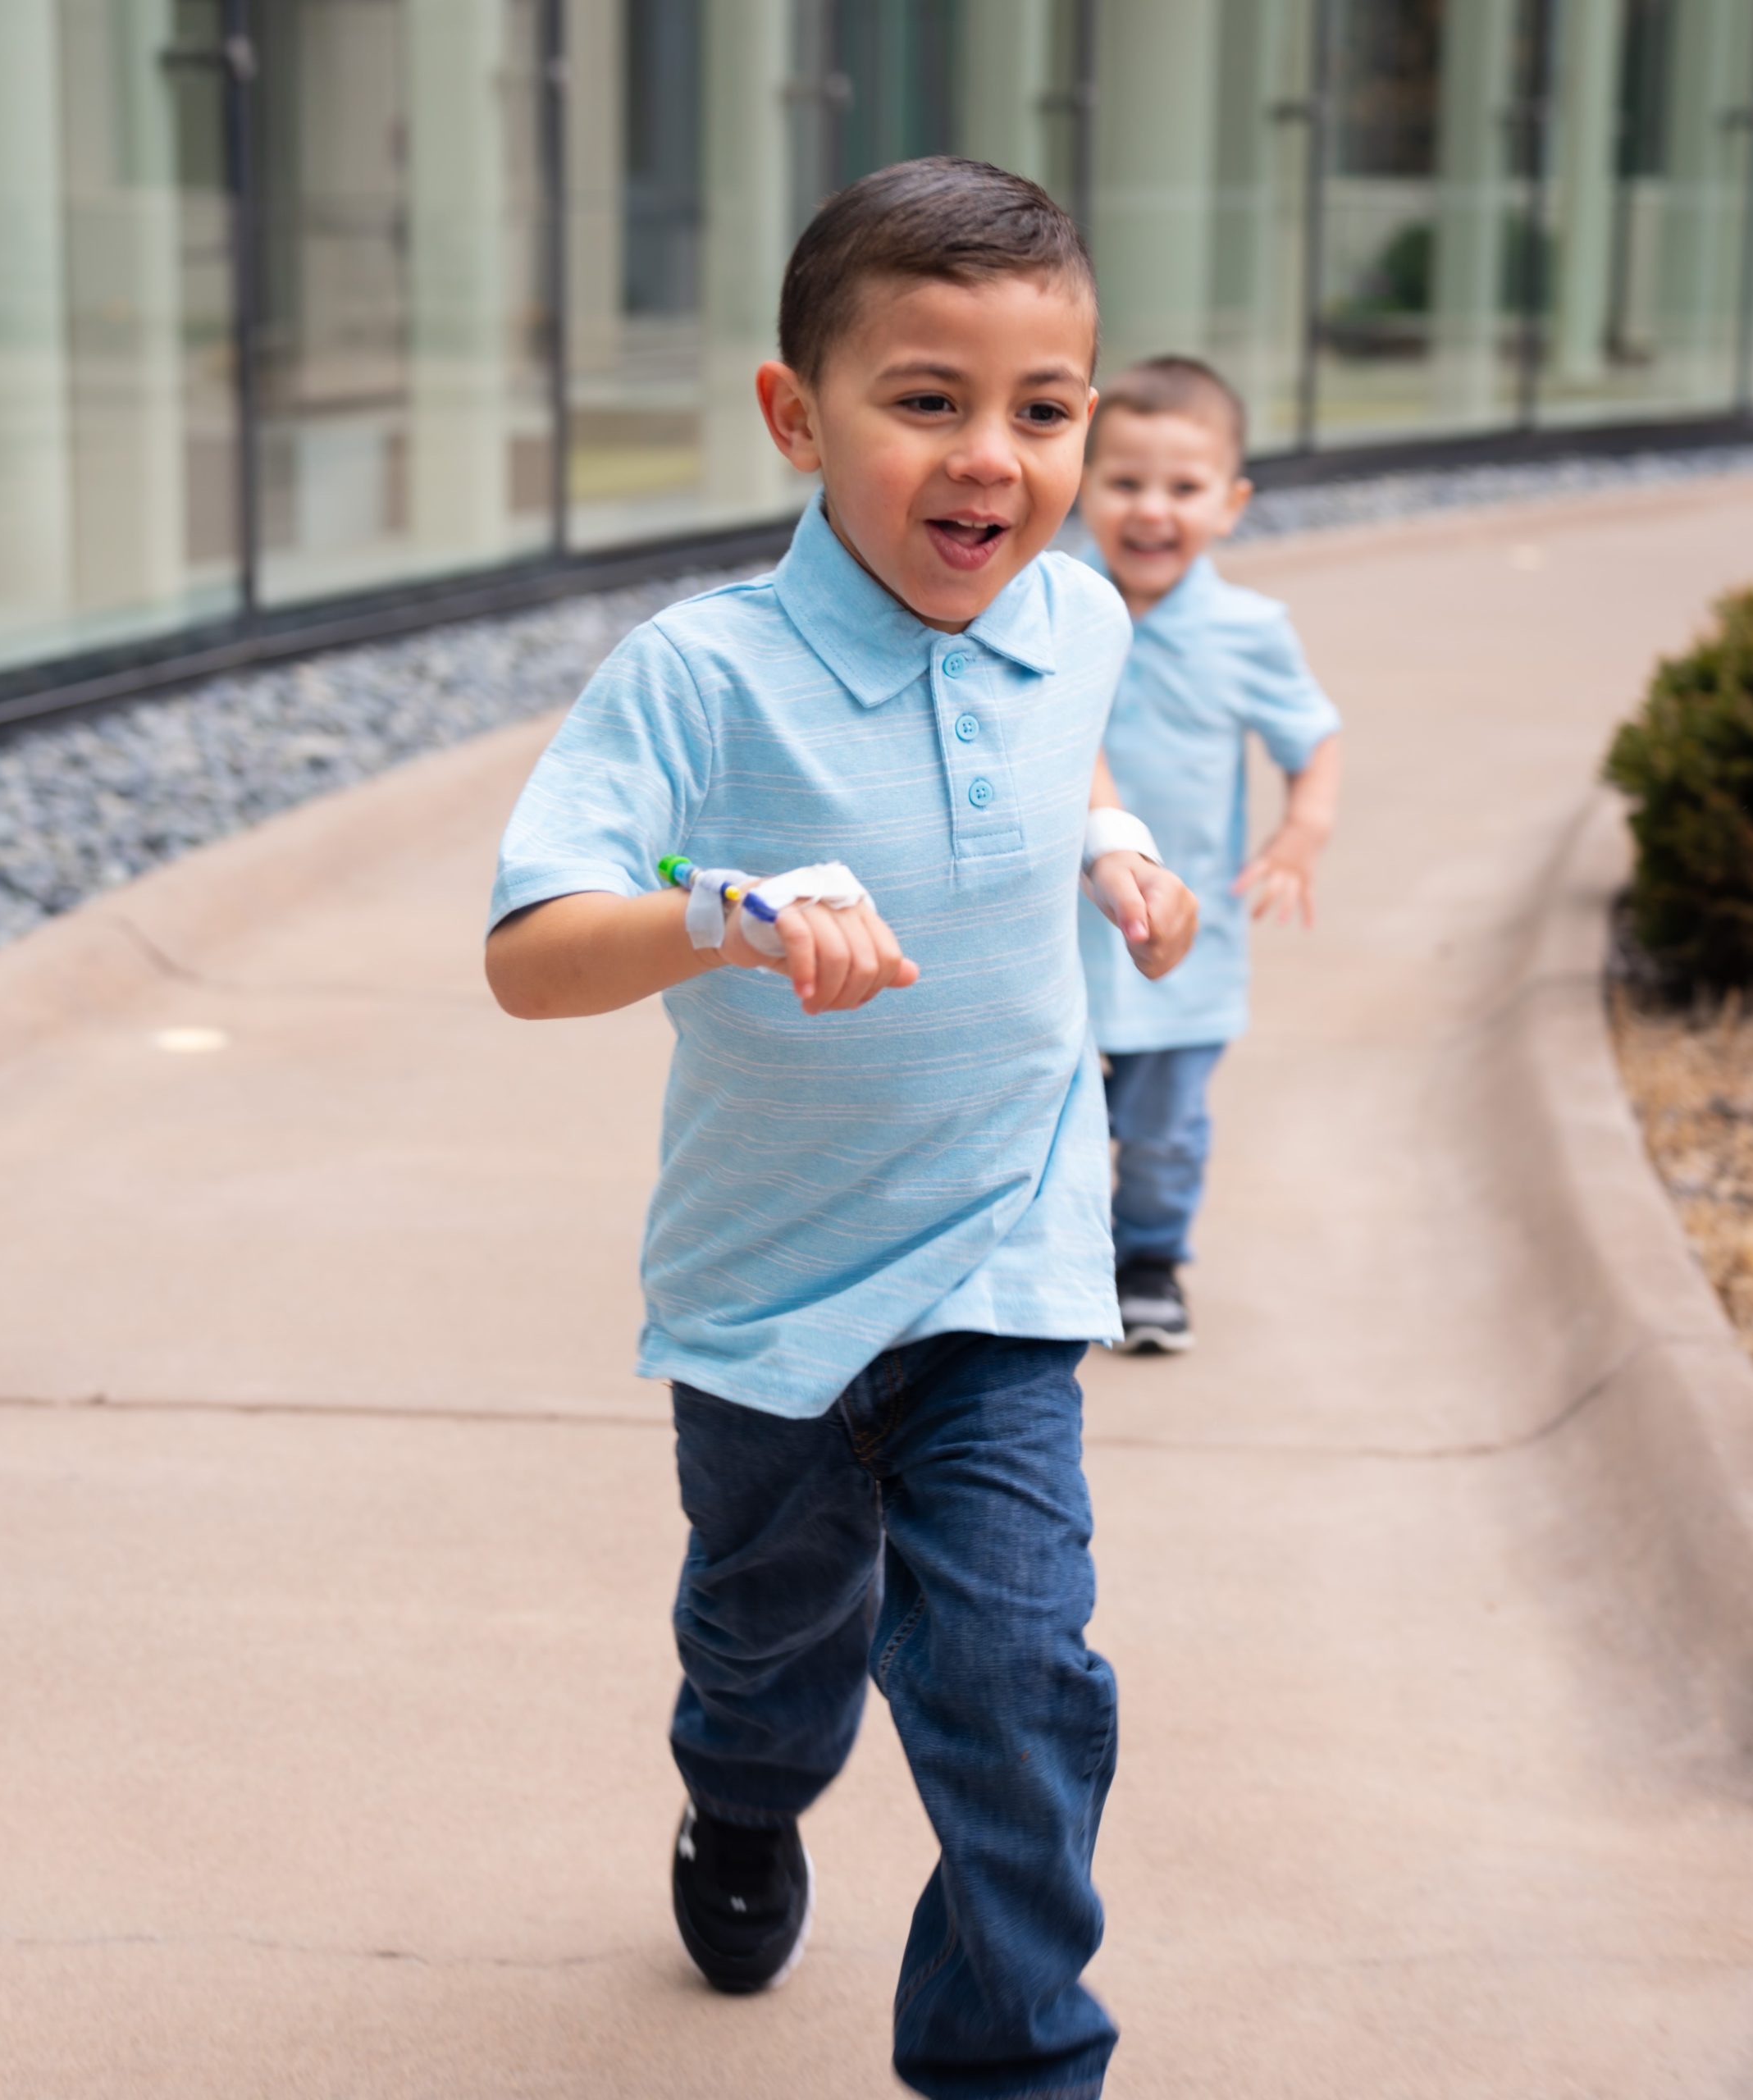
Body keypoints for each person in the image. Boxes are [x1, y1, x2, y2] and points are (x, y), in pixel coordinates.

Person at [483, 158, 1197, 2100]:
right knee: (767, 1654)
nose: (994, 458)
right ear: (796, 416)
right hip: (770, 1304)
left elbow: (1071, 743)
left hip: (1001, 1263)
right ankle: (736, 1794)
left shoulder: (1072, 619)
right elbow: (528, 953)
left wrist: (1114, 841)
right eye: (925, 401)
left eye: (1042, 411)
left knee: (1017, 1691)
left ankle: (1009, 2062)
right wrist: (717, 905)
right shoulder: (701, 679)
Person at [1076, 357, 1343, 1354]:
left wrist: (1300, 834)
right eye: (1125, 482)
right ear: (1082, 484)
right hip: (1059, 929)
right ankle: (1046, 1262)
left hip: (1190, 936)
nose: (1152, 511)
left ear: (1230, 504)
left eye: (1183, 489)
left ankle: (1147, 1256)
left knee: (1160, 1131)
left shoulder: (1248, 631)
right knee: (1039, 1114)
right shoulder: (1049, 612)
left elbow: (1312, 740)